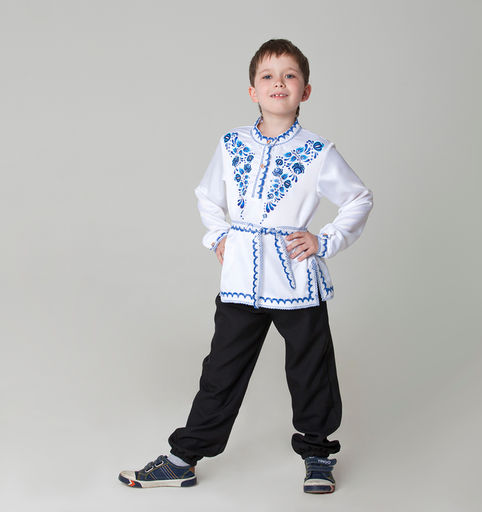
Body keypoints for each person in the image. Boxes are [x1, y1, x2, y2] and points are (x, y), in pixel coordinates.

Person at [118, 38, 373, 494]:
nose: (279, 83)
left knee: (311, 369)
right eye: (268, 76)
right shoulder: (232, 143)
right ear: (253, 90)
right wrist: (218, 236)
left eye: (290, 75)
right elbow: (207, 195)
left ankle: (317, 454)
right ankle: (182, 460)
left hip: (295, 279)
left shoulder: (318, 151)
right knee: (221, 370)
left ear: (305, 91)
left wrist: (325, 240)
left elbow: (358, 197)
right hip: (240, 279)